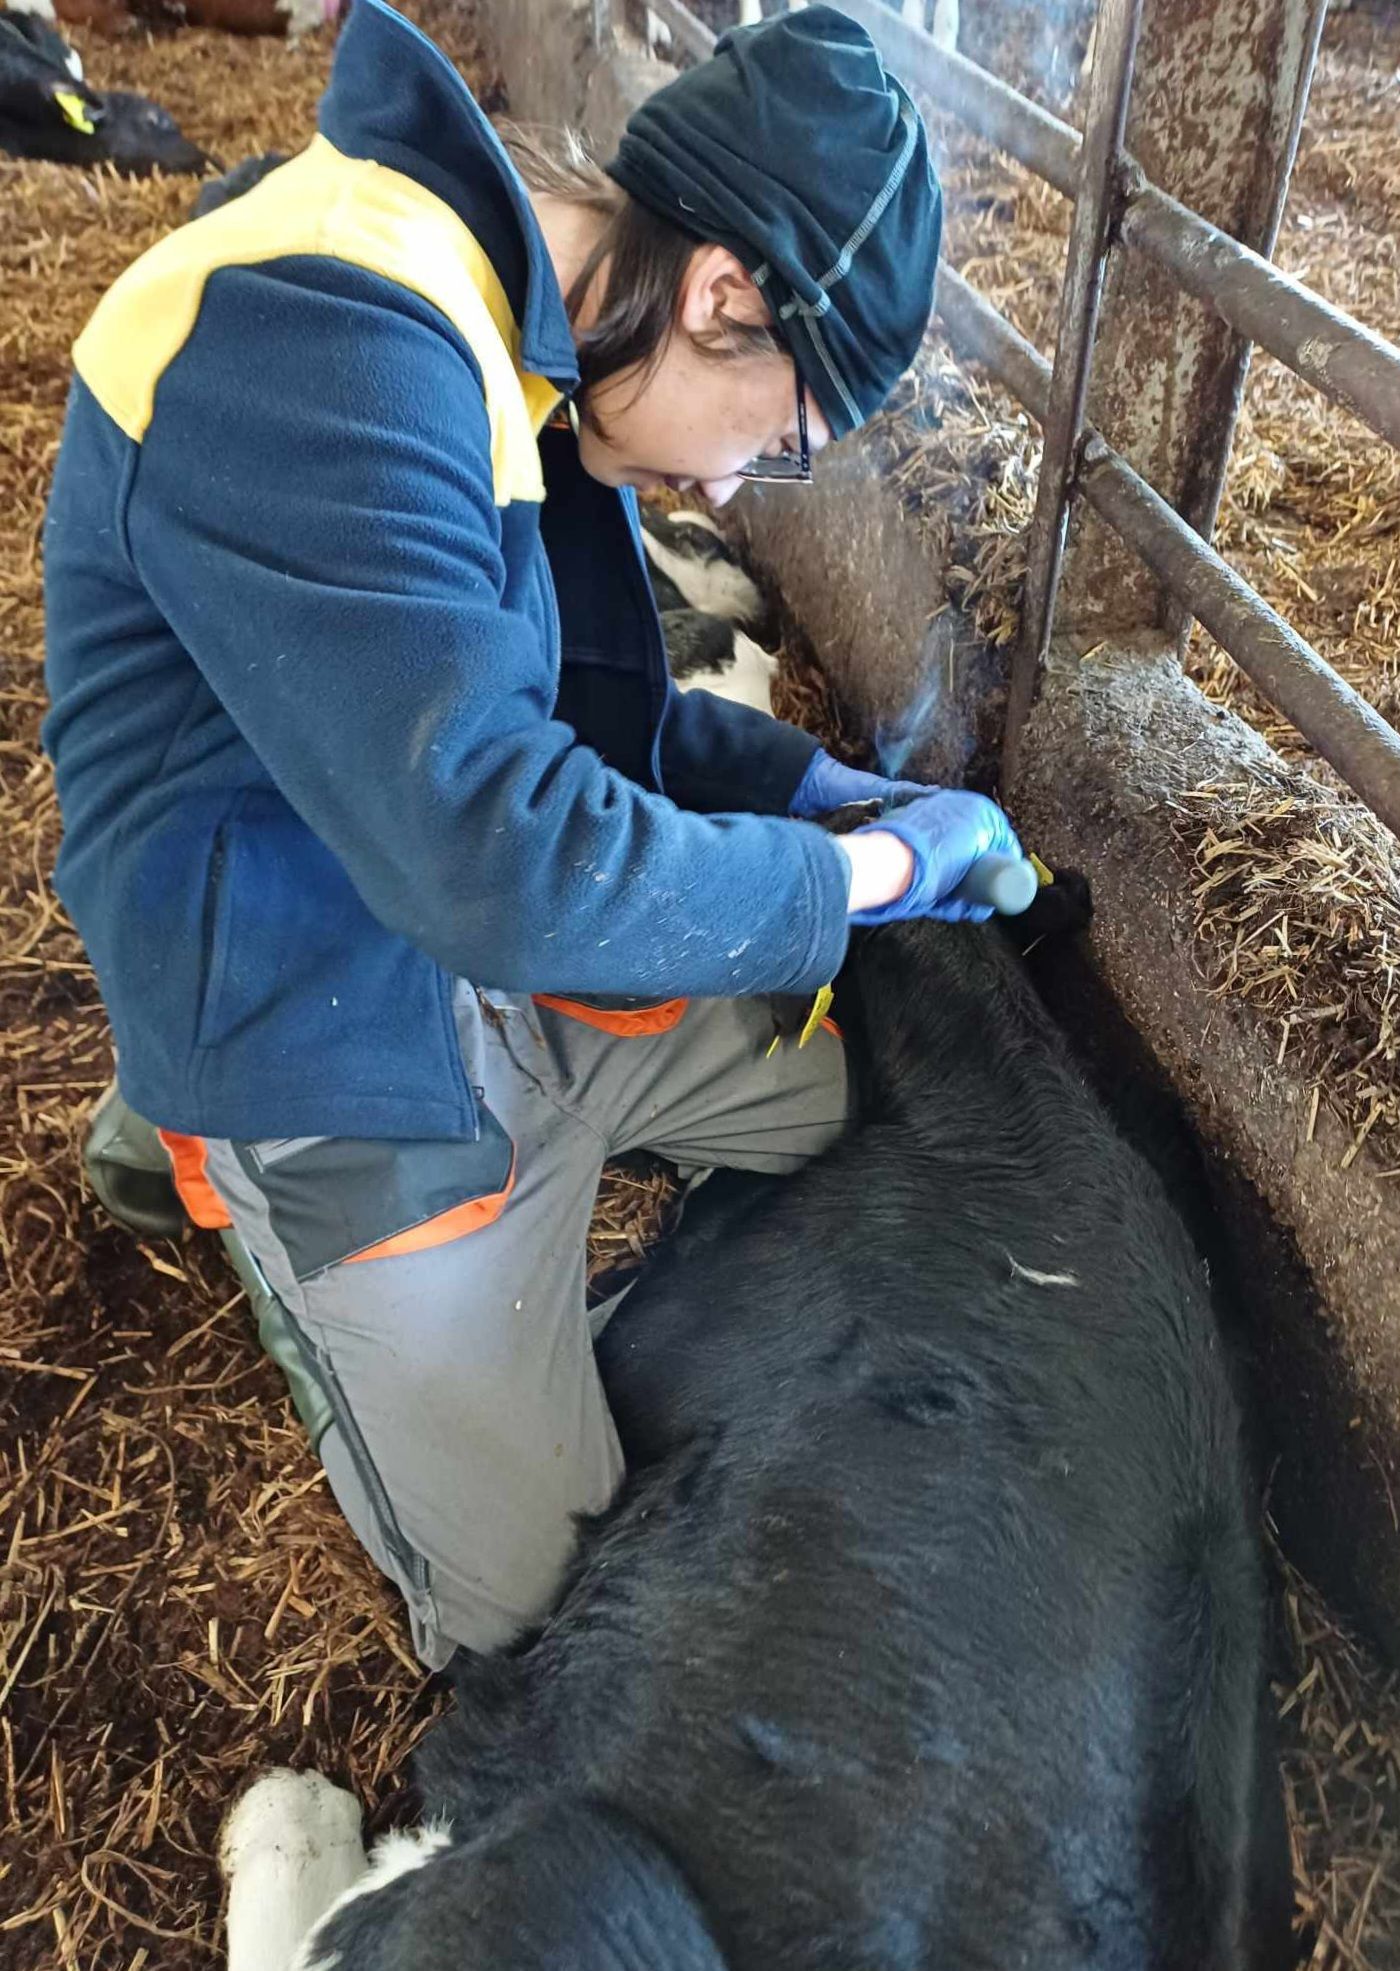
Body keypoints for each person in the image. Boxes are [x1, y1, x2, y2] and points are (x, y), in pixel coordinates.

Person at [42, 0, 1022, 1667]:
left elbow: (554, 724)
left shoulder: (529, 338)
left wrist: (813, 793)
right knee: (548, 1622)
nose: (731, 496)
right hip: (320, 1008)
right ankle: (265, 1218)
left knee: (855, 1101)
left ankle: (461, 1245)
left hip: (481, 930)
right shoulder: (322, 337)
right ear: (722, 297)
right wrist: (867, 875)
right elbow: (498, 849)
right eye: (777, 440)